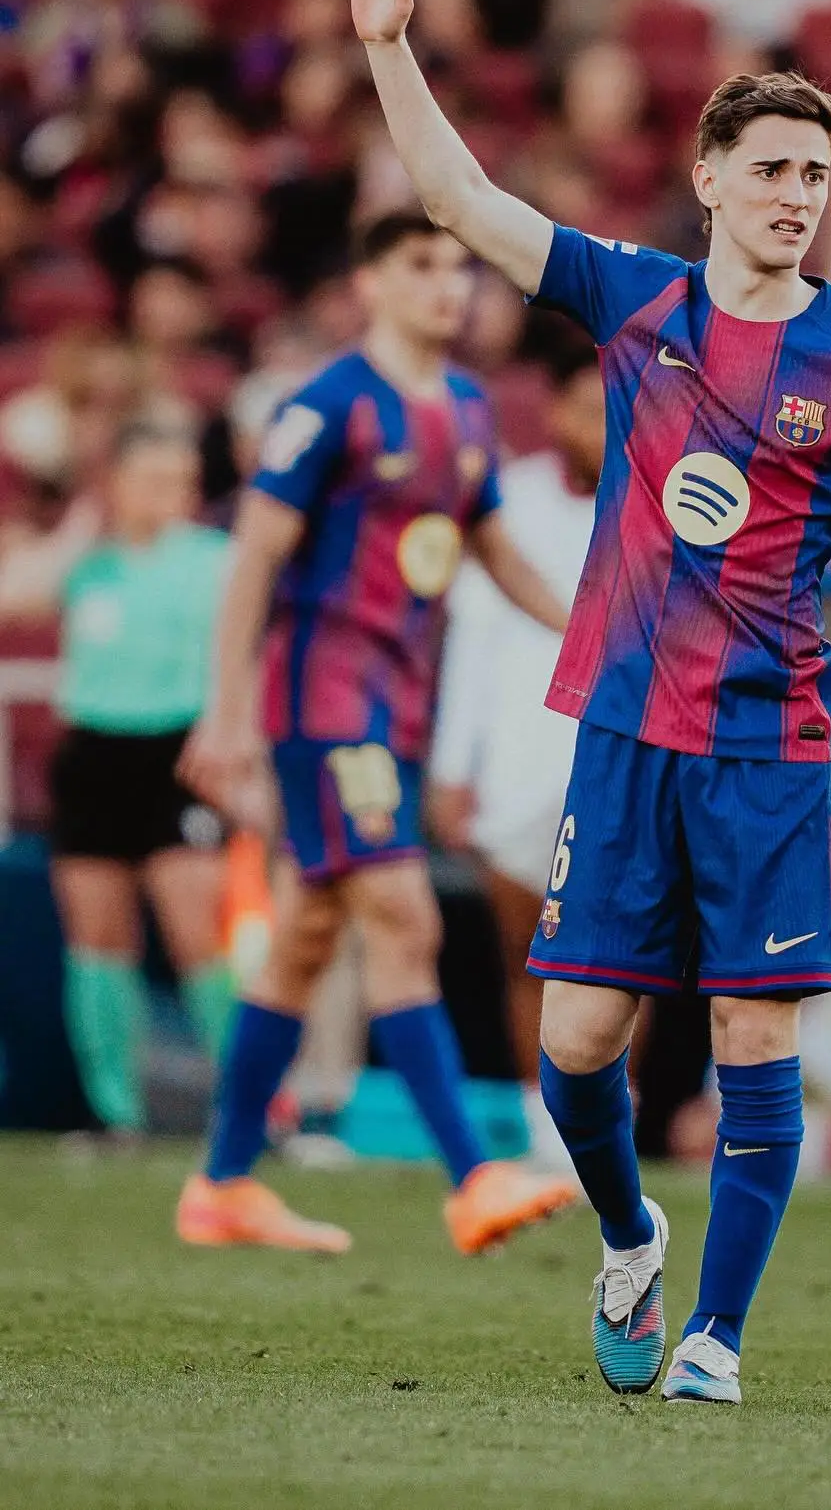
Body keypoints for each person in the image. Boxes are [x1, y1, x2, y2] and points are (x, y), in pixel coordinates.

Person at [342, 0, 831, 1402]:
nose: (796, 196)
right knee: (579, 1042)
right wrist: (390, 47)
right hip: (630, 728)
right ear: (709, 178)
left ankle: (717, 1335)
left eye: (815, 174)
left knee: (755, 1033)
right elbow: (456, 196)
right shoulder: (633, 298)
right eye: (770, 169)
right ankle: (630, 1232)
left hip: (772, 742)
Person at [172, 211, 578, 1256]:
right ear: (372, 284)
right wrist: (227, 712)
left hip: (396, 708)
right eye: (422, 265)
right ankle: (473, 1176)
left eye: (460, 268)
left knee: (307, 936)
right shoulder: (330, 406)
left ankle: (222, 1183)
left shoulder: (469, 410)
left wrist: (591, 633)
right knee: (404, 916)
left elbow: (495, 549)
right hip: (324, 703)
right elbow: (254, 559)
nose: (450, 285)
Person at [0, 421, 235, 1137]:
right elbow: (14, 597)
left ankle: (248, 1106)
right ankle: (117, 1114)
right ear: (117, 485)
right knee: (98, 942)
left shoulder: (216, 559)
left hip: (178, 755)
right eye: (154, 479)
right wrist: (79, 528)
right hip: (95, 754)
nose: (173, 495)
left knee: (199, 935)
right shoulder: (88, 561)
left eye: (182, 481)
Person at [429, 336, 604, 1091]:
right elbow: (472, 639)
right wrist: (452, 768)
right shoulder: (510, 502)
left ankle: (613, 1124)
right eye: (590, 410)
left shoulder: (669, 505)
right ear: (556, 412)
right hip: (516, 761)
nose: (606, 428)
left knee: (618, 964)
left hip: (618, 761)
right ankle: (543, 1120)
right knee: (527, 953)